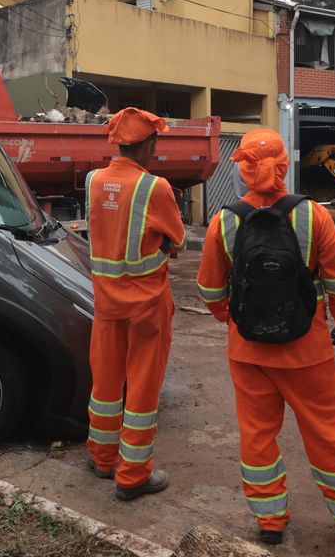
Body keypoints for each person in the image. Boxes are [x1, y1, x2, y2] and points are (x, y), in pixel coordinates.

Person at [196, 129, 335, 546]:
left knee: (257, 435)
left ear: (241, 170)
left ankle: (270, 521)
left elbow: (209, 289)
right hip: (307, 351)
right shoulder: (314, 216)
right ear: (283, 167)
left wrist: (235, 322)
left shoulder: (224, 221)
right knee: (328, 432)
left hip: (248, 353)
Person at [84, 107, 186, 500]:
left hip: (106, 303)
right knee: (142, 389)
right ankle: (132, 477)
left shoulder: (93, 181)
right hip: (147, 305)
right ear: (149, 144)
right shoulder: (154, 188)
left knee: (106, 384)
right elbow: (177, 241)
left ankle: (103, 458)